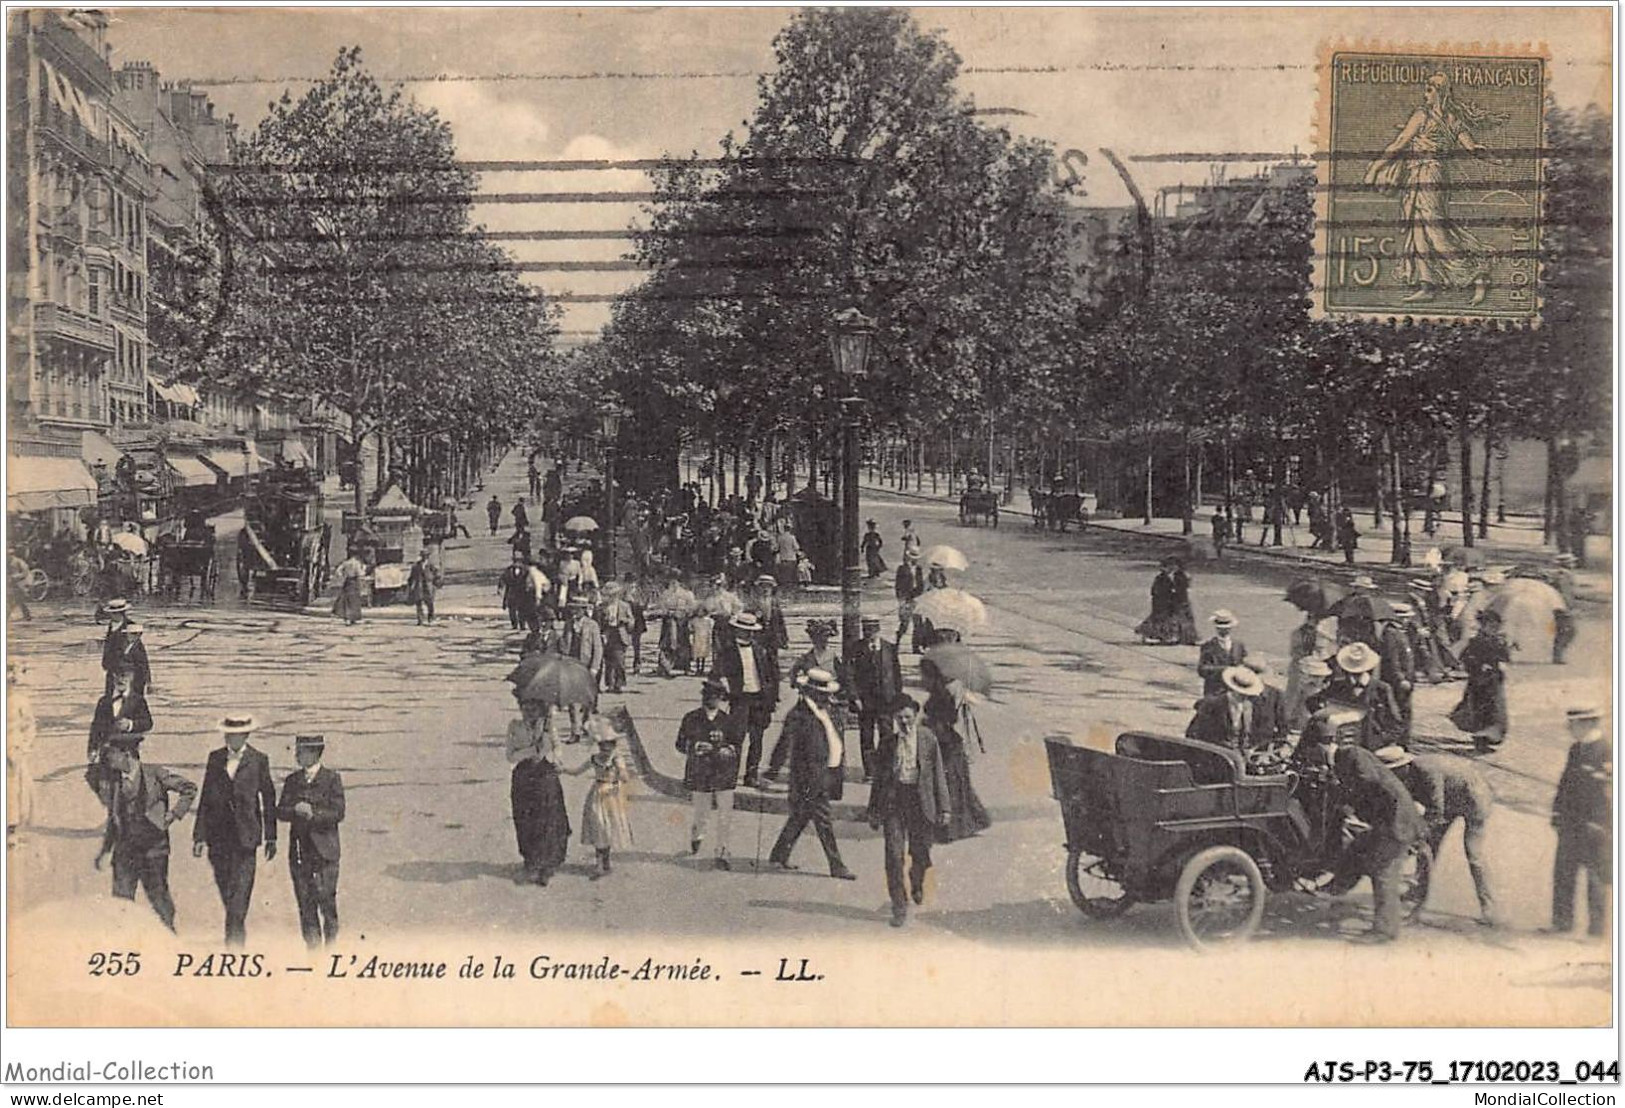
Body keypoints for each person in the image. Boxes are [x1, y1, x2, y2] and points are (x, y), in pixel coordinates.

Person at [1362, 72, 1506, 306]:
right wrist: (1492, 157)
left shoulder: (1426, 116)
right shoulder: (1450, 119)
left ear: (1439, 92)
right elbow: (1473, 147)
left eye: (1428, 90)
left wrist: (1374, 169)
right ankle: (1427, 284)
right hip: (1420, 175)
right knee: (1418, 230)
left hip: (1429, 175)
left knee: (1436, 233)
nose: (1424, 94)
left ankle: (1477, 274)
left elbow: (1399, 143)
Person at [1379, 746, 1500, 927]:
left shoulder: (1426, 771)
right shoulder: (1409, 774)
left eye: (1393, 771)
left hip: (1475, 799)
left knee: (1474, 855)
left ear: (1402, 766)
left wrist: (1416, 833)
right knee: (1429, 846)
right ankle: (1418, 890)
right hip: (1452, 798)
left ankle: (1489, 909)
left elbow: (1436, 810)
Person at [93, 732, 195, 933]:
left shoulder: (154, 774)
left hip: (154, 849)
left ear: (127, 754)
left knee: (160, 901)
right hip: (125, 851)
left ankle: (169, 940)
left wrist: (173, 814)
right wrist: (105, 851)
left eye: (113, 754)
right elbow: (114, 820)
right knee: (121, 905)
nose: (109, 758)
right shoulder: (114, 783)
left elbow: (189, 788)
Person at [193, 714, 277, 946]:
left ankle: (234, 944)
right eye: (229, 735)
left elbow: (268, 799)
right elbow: (206, 798)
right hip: (217, 838)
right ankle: (235, 936)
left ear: (246, 735)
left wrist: (271, 836)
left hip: (246, 838)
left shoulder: (259, 760)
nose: (233, 739)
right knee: (226, 891)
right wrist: (199, 835)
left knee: (239, 896)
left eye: (238, 735)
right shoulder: (215, 759)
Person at [868, 694, 951, 927]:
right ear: (894, 719)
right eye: (899, 718)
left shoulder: (927, 739)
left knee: (921, 852)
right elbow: (879, 781)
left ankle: (917, 880)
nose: (904, 722)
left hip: (920, 802)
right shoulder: (887, 744)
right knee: (894, 856)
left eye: (907, 717)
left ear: (915, 717)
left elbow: (938, 775)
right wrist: (873, 810)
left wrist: (944, 807)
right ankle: (899, 906)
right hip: (894, 802)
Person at [766, 669, 857, 880]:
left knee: (800, 816)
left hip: (828, 773)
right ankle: (837, 866)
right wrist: (772, 772)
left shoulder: (827, 711)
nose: (828, 697)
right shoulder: (798, 715)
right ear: (812, 693)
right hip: (808, 777)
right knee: (823, 819)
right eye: (824, 694)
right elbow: (783, 745)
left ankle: (778, 855)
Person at [277, 734, 345, 948]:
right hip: (299, 853)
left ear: (314, 753)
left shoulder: (332, 779)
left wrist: (313, 814)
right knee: (306, 906)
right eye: (297, 751)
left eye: (301, 752)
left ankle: (331, 950)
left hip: (326, 853)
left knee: (327, 903)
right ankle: (313, 952)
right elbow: (280, 811)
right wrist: (295, 810)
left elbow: (338, 812)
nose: (297, 755)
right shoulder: (292, 781)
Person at [1550, 703, 1611, 938]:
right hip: (1570, 824)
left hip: (1595, 827)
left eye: (1572, 724)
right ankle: (1561, 923)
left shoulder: (1607, 751)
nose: (1568, 728)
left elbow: (1609, 793)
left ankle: (1596, 932)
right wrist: (1556, 812)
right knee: (1563, 873)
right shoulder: (1576, 749)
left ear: (1587, 724)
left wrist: (1601, 823)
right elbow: (1564, 784)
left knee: (1595, 878)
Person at [920, 660, 991, 842]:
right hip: (949, 739)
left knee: (948, 782)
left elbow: (949, 716)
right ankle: (966, 822)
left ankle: (951, 828)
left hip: (945, 740)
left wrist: (930, 724)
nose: (923, 681)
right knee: (956, 782)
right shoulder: (952, 687)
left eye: (925, 677)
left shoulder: (945, 691)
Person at [507, 693, 571, 886]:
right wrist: (530, 752)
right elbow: (510, 755)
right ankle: (531, 862)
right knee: (526, 819)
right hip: (524, 776)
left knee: (548, 819)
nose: (528, 713)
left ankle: (547, 865)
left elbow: (558, 747)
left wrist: (554, 756)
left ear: (541, 709)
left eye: (533, 709)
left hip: (545, 775)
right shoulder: (514, 726)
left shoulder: (547, 725)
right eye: (524, 708)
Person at [677, 680, 740, 870]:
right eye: (707, 696)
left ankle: (722, 851)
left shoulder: (728, 721)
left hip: (723, 773)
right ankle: (698, 836)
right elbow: (680, 743)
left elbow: (736, 745)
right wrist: (695, 747)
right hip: (700, 772)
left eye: (714, 697)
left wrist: (726, 750)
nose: (710, 700)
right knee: (701, 812)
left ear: (721, 699)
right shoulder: (691, 718)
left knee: (725, 815)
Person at [711, 612, 779, 789]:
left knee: (757, 740)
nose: (747, 634)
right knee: (736, 739)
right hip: (739, 699)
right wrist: (724, 686)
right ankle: (730, 776)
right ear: (736, 631)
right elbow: (716, 674)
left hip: (759, 699)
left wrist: (770, 701)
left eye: (750, 631)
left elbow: (771, 676)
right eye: (743, 630)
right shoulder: (728, 651)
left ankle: (752, 775)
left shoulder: (760, 650)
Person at [564, 719, 635, 879]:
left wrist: (621, 773)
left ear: (614, 744)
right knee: (598, 826)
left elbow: (625, 776)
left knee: (608, 828)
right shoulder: (595, 758)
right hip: (597, 793)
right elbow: (577, 771)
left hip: (612, 795)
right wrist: (563, 769)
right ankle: (599, 864)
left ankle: (606, 861)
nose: (605, 748)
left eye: (609, 744)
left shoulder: (617, 759)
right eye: (602, 745)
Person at [1325, 642, 1408, 750]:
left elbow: (1396, 724)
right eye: (1350, 672)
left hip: (1374, 745)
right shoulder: (1337, 686)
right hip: (1342, 744)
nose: (1353, 676)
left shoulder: (1382, 689)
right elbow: (1313, 703)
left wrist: (1379, 740)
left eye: (1357, 673)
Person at [1449, 607, 1510, 753]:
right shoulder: (1476, 641)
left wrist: (1505, 647)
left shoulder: (1497, 640)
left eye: (1496, 626)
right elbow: (1466, 659)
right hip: (1479, 683)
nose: (1494, 629)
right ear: (1484, 625)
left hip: (1494, 682)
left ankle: (1490, 737)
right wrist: (1480, 666)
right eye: (1491, 626)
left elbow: (1504, 657)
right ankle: (1481, 742)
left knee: (1494, 711)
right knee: (1481, 711)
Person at [850, 615, 903, 782]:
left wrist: (898, 698)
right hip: (865, 701)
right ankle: (870, 772)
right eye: (866, 630)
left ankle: (885, 769)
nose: (869, 634)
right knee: (866, 736)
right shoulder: (856, 648)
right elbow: (849, 675)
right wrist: (855, 697)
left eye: (872, 630)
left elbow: (897, 675)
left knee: (887, 735)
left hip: (886, 700)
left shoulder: (889, 648)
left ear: (878, 630)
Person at [87, 666, 153, 797]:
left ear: (131, 677)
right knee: (109, 794)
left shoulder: (138, 701)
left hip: (129, 754)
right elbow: (95, 728)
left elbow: (148, 723)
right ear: (112, 678)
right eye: (117, 676)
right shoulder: (104, 702)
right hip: (108, 754)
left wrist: (131, 724)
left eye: (124, 676)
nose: (120, 680)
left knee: (132, 794)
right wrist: (92, 749)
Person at [1185, 665, 1274, 753]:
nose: (1244, 697)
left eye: (1247, 694)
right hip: (1219, 754)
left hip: (1247, 755)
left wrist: (1254, 750)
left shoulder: (1255, 706)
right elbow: (1194, 733)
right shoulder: (1213, 704)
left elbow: (1263, 734)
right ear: (1232, 688)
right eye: (1240, 693)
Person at [564, 599, 603, 743]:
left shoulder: (592, 625)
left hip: (587, 667)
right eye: (573, 609)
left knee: (587, 701)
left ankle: (586, 724)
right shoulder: (568, 625)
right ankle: (575, 731)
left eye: (578, 609)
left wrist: (594, 668)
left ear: (584, 610)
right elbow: (565, 644)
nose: (575, 612)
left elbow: (598, 648)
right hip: (572, 666)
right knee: (572, 701)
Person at [6, 661, 37, 840]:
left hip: (14, 747)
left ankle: (12, 828)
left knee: (16, 788)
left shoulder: (20, 702)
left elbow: (29, 725)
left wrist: (24, 746)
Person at [1136, 557, 1197, 645]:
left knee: (1182, 619)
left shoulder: (1181, 576)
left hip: (1179, 601)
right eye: (1168, 567)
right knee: (1163, 619)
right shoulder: (1160, 578)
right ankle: (1159, 636)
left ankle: (1185, 637)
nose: (1170, 568)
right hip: (1164, 601)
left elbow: (1184, 587)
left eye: (1173, 566)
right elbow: (1156, 590)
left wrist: (1178, 591)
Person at [1379, 604, 1418, 730]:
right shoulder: (1391, 634)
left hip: (1407, 677)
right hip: (1398, 681)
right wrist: (1400, 678)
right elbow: (1392, 659)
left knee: (1406, 709)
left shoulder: (1401, 632)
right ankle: (1399, 739)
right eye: (1405, 618)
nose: (1407, 620)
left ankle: (1403, 740)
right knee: (1400, 710)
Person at [1197, 610, 1248, 698]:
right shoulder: (1208, 646)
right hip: (1215, 690)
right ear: (1216, 628)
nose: (1224, 631)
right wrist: (1224, 669)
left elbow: (1245, 664)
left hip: (1235, 690)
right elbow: (1202, 669)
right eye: (1221, 628)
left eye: (1227, 628)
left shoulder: (1238, 645)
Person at [598, 586, 634, 693]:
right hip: (608, 633)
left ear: (617, 595)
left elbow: (631, 620)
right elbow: (598, 621)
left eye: (613, 595)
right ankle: (610, 684)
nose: (611, 597)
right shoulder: (602, 606)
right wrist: (604, 622)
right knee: (608, 661)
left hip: (620, 633)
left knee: (619, 661)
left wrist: (625, 621)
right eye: (609, 595)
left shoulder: (624, 606)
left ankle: (619, 683)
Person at [895, 551, 926, 653]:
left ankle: (915, 647)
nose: (915, 559)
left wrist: (920, 595)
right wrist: (901, 599)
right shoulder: (902, 569)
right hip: (905, 598)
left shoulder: (918, 569)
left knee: (918, 624)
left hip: (916, 599)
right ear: (908, 558)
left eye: (916, 557)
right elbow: (898, 586)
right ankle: (896, 644)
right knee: (904, 623)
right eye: (913, 557)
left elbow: (921, 584)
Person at [498, 551, 534, 631]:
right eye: (515, 561)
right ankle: (514, 624)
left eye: (518, 561)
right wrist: (500, 588)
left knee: (522, 610)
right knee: (512, 609)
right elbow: (503, 579)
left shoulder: (526, 570)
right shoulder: (509, 570)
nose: (516, 563)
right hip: (511, 592)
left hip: (522, 592)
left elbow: (530, 581)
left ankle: (522, 625)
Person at [406, 547, 442, 626]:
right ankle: (420, 619)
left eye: (426, 556)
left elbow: (437, 575)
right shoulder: (416, 566)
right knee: (418, 603)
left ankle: (431, 618)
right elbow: (412, 577)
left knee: (430, 603)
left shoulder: (431, 565)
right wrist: (410, 585)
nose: (424, 557)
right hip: (419, 586)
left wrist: (436, 583)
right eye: (423, 556)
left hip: (429, 586)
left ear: (428, 557)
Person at [332, 552, 366, 624]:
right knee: (354, 601)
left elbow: (338, 571)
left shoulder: (345, 563)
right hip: (354, 582)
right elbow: (360, 574)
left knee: (346, 600)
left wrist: (343, 575)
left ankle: (347, 618)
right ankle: (353, 618)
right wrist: (364, 570)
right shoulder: (357, 563)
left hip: (347, 581)